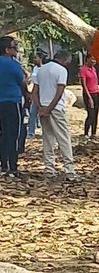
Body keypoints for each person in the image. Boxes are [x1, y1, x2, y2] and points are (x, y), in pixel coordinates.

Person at [34, 48, 78, 181]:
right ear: (64, 60)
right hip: (56, 108)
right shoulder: (61, 70)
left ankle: (49, 169)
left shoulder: (41, 70)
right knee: (64, 138)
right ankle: (69, 170)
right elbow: (59, 92)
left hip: (43, 106)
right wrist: (50, 108)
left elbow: (35, 92)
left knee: (48, 138)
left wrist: (41, 107)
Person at [0, 36, 28, 179]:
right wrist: (27, 96)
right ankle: (13, 167)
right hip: (12, 102)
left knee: (2, 134)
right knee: (14, 135)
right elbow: (22, 83)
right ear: (7, 50)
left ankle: (3, 165)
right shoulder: (14, 65)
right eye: (13, 48)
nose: (15, 50)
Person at [27, 49, 48, 137]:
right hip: (35, 92)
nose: (34, 60)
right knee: (33, 113)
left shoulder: (45, 69)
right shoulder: (35, 68)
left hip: (43, 93)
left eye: (36, 58)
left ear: (40, 59)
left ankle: (45, 132)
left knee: (43, 112)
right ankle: (31, 132)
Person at [79, 52, 99, 139]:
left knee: (95, 114)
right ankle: (86, 133)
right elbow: (84, 85)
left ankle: (94, 133)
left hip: (96, 93)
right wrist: (89, 98)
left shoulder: (94, 69)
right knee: (90, 114)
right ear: (87, 59)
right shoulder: (83, 70)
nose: (94, 61)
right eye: (92, 59)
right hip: (88, 94)